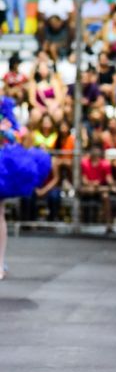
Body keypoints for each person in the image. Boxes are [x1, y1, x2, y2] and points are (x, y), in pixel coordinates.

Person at [0, 96, 50, 279]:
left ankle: (0, 262)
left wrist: (7, 133)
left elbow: (19, 136)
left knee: (0, 213)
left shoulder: (6, 116)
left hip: (2, 168)